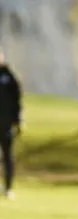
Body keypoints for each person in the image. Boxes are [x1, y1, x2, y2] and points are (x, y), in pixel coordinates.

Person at [0, 46, 21, 200]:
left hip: (6, 124)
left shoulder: (9, 76)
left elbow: (17, 100)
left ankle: (8, 187)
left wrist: (18, 120)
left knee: (8, 156)